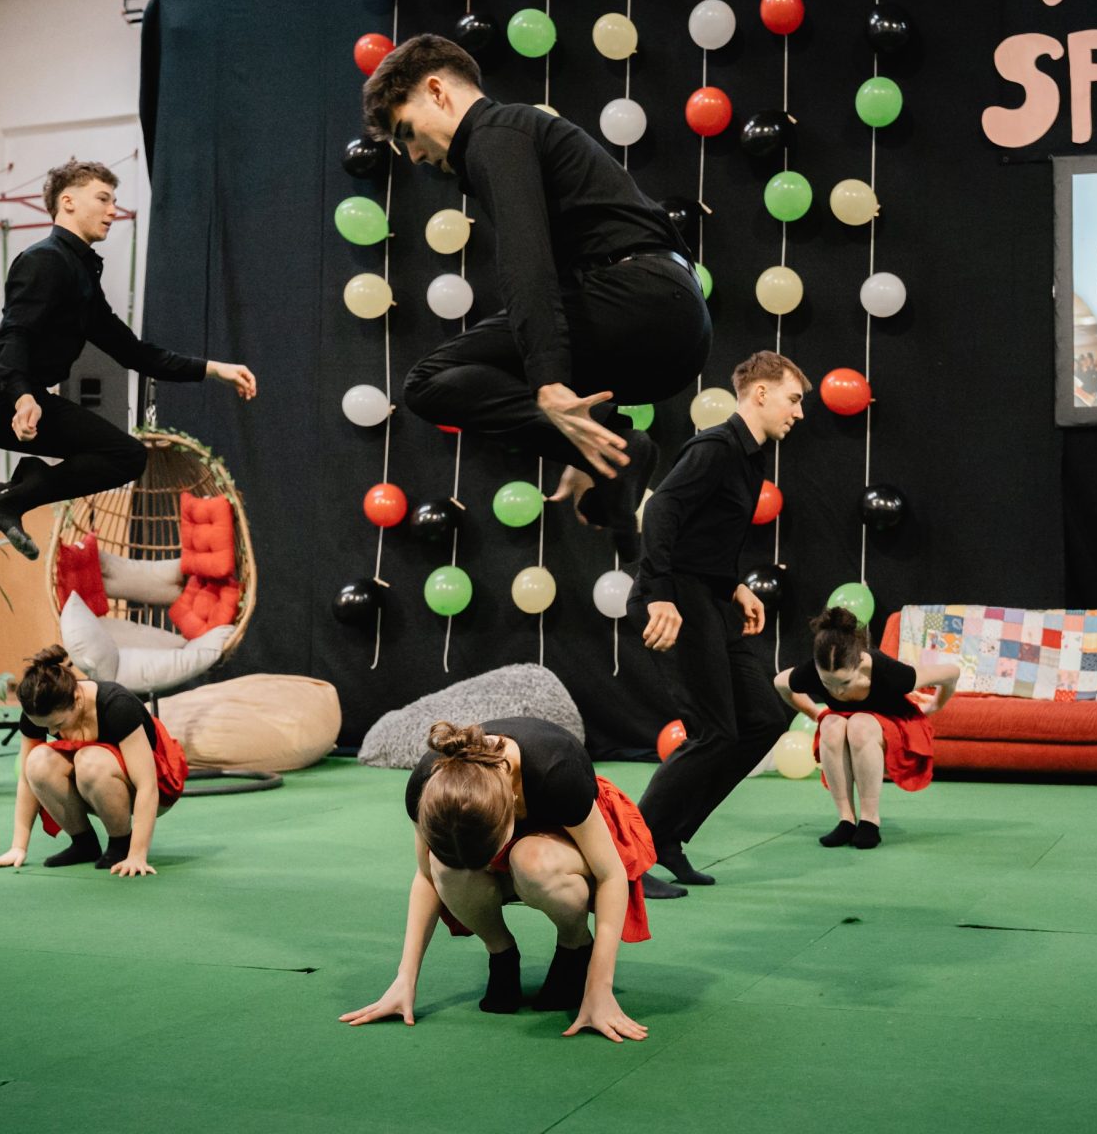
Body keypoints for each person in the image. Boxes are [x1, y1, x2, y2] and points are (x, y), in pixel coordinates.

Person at [362, 36, 710, 558]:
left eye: (407, 132)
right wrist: (581, 439)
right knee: (486, 367)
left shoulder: (496, 133)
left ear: (436, 91)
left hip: (641, 298)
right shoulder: (517, 134)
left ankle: (618, 448)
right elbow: (572, 283)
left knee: (429, 381)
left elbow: (527, 262)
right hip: (676, 327)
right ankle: (611, 451)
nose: (413, 155)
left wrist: (550, 382)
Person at [0, 159, 257, 561]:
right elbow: (14, 334)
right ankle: (11, 498)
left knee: (124, 455)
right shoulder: (45, 259)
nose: (113, 210)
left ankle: (9, 492)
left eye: (114, 201)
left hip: (19, 394)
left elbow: (134, 353)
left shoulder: (81, 273)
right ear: (68, 202)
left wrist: (213, 369)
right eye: (103, 199)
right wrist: (22, 396)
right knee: (125, 455)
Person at [340, 717, 655, 1043]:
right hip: (495, 827)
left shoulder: (556, 772)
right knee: (445, 868)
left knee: (531, 859)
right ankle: (501, 952)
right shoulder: (428, 786)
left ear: (513, 809)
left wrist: (600, 988)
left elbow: (610, 875)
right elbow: (426, 876)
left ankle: (575, 946)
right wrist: (404, 979)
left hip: (566, 841)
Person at [631, 351, 809, 899]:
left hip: (710, 596)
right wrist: (661, 596)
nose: (799, 413)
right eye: (794, 399)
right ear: (760, 393)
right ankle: (627, 857)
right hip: (677, 597)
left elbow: (704, 532)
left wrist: (735, 586)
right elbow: (661, 512)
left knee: (762, 720)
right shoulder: (715, 447)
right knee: (712, 731)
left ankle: (668, 837)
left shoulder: (752, 457)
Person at [0, 646, 188, 876]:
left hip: (157, 786)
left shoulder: (117, 705)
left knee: (89, 761)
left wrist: (137, 854)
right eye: (46, 727)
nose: (52, 732)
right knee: (37, 762)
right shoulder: (39, 712)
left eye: (58, 725)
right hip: (94, 784)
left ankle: (121, 845)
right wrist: (18, 847)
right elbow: (27, 781)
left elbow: (147, 785)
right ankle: (84, 844)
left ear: (77, 699)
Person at [774, 608, 959, 849]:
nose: (838, 690)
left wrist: (934, 706)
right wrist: (814, 713)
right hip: (846, 721)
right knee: (830, 724)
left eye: (845, 682)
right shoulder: (811, 672)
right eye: (828, 683)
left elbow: (951, 673)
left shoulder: (891, 673)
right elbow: (780, 684)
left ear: (860, 663)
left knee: (859, 724)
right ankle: (846, 820)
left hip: (892, 722)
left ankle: (870, 820)